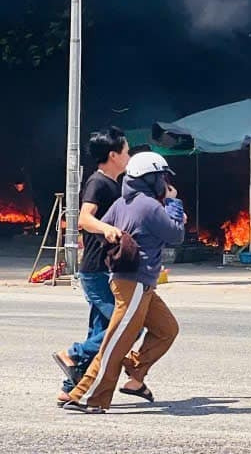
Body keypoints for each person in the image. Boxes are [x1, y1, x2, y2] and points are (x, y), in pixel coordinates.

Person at [64, 152, 187, 413]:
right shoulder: (150, 205)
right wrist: (173, 203)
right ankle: (86, 396)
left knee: (166, 329)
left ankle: (135, 370)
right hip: (135, 283)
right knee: (115, 342)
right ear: (150, 179)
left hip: (136, 283)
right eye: (162, 177)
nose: (165, 183)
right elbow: (176, 235)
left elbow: (101, 231)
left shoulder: (122, 203)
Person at [53, 126, 129, 405]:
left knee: (99, 331)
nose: (129, 155)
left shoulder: (115, 184)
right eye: (126, 151)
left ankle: (70, 389)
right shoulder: (98, 182)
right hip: (96, 270)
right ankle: (72, 354)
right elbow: (84, 219)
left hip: (106, 268)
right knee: (126, 325)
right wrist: (106, 228)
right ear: (113, 155)